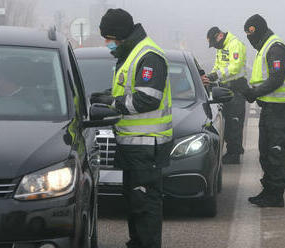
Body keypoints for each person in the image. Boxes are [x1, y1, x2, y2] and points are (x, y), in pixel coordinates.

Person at [91, 9, 172, 248]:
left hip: (146, 144)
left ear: (120, 35)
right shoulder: (131, 54)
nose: (107, 44)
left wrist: (113, 104)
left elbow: (148, 98)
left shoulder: (148, 56)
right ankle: (137, 242)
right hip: (134, 145)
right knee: (136, 201)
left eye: (108, 39)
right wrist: (108, 95)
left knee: (145, 204)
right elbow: (128, 91)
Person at [241, 14, 285, 207]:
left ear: (259, 30)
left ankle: (276, 195)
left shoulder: (275, 47)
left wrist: (254, 93)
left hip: (281, 109)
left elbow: (276, 78)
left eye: (251, 34)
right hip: (270, 107)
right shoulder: (265, 46)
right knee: (265, 151)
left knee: (276, 152)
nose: (250, 39)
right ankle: (268, 190)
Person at [202, 27, 247, 164]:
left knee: (234, 122)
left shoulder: (235, 45)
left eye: (215, 43)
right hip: (225, 89)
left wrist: (215, 75)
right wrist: (209, 77)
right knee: (226, 122)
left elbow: (235, 67)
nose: (215, 47)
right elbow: (218, 66)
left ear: (220, 35)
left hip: (236, 88)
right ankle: (233, 148)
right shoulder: (221, 47)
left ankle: (234, 154)